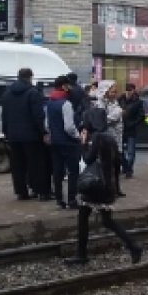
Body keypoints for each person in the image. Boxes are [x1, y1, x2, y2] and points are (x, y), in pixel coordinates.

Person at [66, 105, 142, 266]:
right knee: (106, 221)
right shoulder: (110, 137)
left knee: (83, 217)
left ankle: (81, 254)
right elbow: (118, 162)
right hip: (108, 185)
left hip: (95, 186)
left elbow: (87, 159)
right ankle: (133, 246)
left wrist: (83, 143)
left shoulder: (97, 138)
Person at [1, 67, 50, 200]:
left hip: (13, 136)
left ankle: (21, 192)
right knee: (36, 164)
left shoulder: (7, 94)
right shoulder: (33, 93)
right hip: (31, 136)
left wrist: (6, 133)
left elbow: (4, 116)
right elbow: (38, 115)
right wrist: (43, 132)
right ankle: (39, 190)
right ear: (30, 77)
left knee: (17, 165)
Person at [46, 75, 83, 209]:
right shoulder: (65, 104)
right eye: (68, 85)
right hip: (68, 142)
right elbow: (69, 126)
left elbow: (47, 123)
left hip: (55, 142)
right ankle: (72, 200)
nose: (70, 88)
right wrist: (77, 136)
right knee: (73, 171)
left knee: (57, 171)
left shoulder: (50, 102)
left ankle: (59, 199)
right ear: (63, 86)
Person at [118, 83, 144, 178]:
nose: (129, 92)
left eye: (131, 90)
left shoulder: (137, 102)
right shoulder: (119, 100)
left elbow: (141, 116)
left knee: (131, 151)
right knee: (119, 151)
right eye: (127, 90)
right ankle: (126, 167)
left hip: (131, 129)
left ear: (134, 90)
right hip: (120, 128)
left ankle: (129, 170)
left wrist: (133, 123)